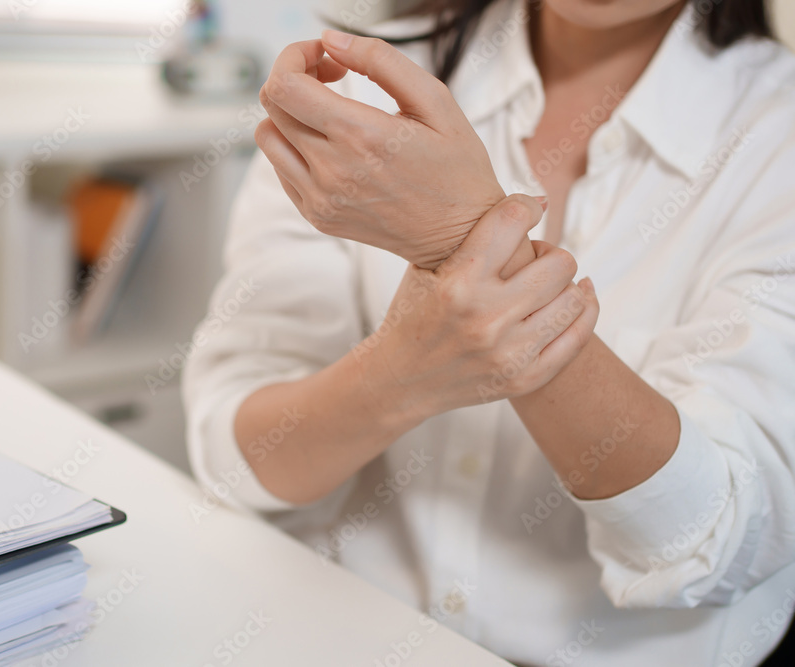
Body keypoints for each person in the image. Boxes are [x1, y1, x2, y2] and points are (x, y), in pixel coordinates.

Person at [182, 0, 795, 664]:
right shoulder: (362, 83)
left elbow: (720, 537)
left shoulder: (776, 138)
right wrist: (395, 377)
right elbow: (239, 457)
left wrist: (462, 239)